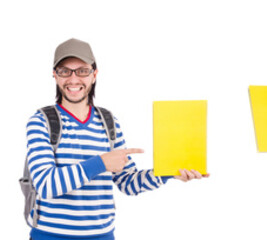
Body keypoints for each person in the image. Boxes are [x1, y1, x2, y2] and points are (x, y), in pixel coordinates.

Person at [22, 38, 208, 240]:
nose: (73, 79)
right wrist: (101, 163)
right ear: (55, 75)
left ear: (94, 74)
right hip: (49, 236)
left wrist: (167, 172)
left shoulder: (109, 122)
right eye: (65, 71)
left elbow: (128, 183)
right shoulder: (41, 122)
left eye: (82, 70)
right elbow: (46, 185)